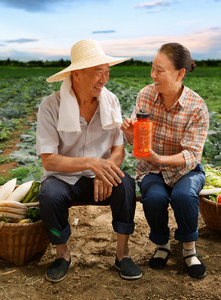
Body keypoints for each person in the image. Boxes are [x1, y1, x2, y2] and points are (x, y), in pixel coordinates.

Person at [36, 39, 142, 282]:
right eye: (97, 72)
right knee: (49, 196)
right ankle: (62, 254)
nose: (104, 79)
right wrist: (90, 163)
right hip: (64, 180)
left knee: (126, 186)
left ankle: (122, 255)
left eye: (106, 72)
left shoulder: (110, 101)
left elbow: (118, 149)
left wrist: (106, 170)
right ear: (77, 74)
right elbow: (49, 161)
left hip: (100, 179)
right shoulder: (51, 106)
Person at [120, 42, 209, 279]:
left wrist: (160, 158)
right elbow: (135, 141)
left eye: (160, 70)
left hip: (186, 170)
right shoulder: (146, 95)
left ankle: (189, 249)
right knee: (155, 197)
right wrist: (129, 132)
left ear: (180, 73)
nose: (153, 75)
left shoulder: (197, 107)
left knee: (184, 196)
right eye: (152, 68)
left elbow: (191, 154)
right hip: (151, 169)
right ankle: (162, 245)